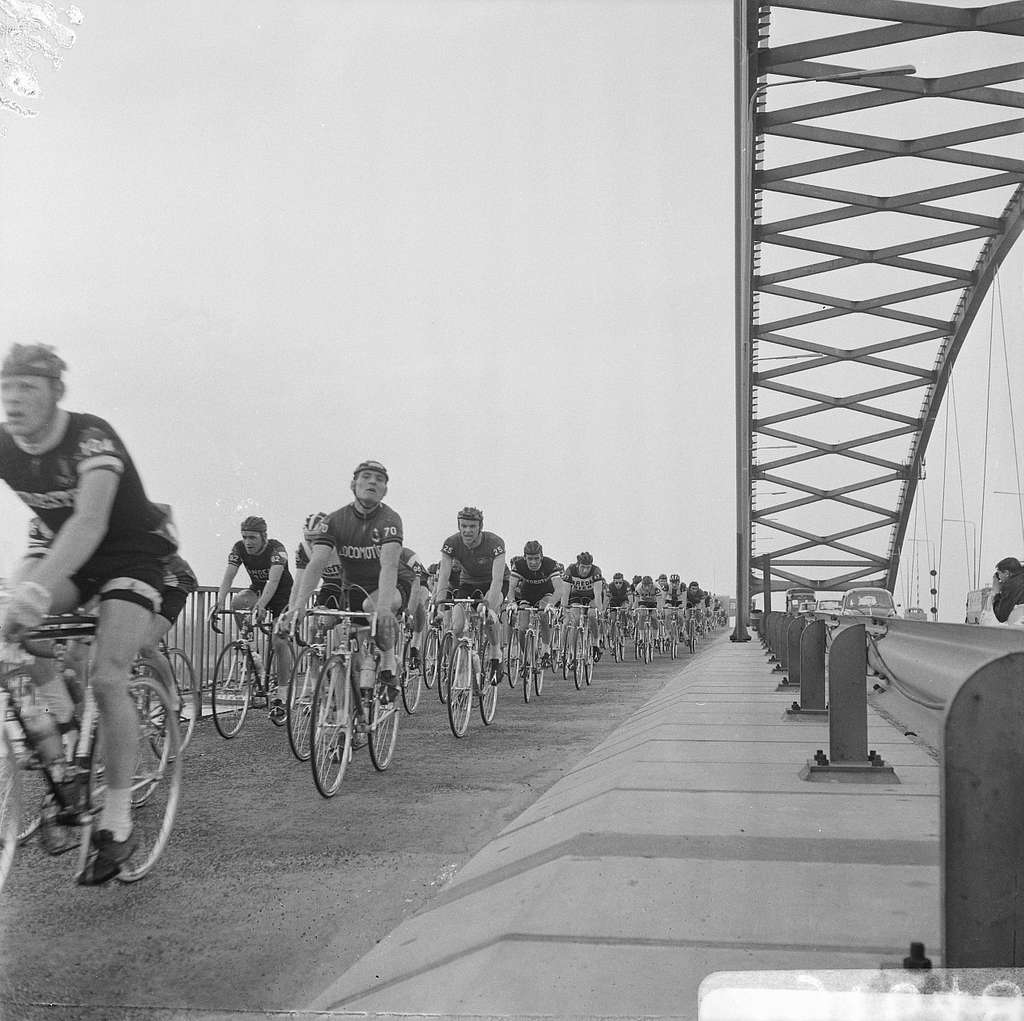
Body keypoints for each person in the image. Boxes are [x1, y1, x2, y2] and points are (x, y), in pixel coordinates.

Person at [0, 343, 176, 883]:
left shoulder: (90, 437)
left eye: (26, 388)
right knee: (15, 637)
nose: (12, 400)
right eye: (6, 389)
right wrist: (19, 597)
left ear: (57, 393)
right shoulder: (6, 442)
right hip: (68, 561)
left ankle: (118, 821)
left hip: (130, 556)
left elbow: (90, 521)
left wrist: (32, 594)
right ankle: (61, 755)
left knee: (106, 675)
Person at [282, 460, 407, 701]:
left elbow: (389, 564)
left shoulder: (390, 519)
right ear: (353, 484)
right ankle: (343, 718)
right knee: (340, 644)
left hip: (387, 586)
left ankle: (390, 666)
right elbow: (316, 563)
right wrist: (298, 605)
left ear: (385, 490)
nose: (372, 482)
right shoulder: (335, 520)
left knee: (374, 609)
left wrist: (383, 609)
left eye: (379, 479)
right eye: (366, 476)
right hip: (352, 590)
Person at [210, 515, 294, 725]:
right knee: (237, 603)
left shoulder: (277, 550)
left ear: (263, 537)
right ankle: (252, 653)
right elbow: (228, 576)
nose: (248, 542)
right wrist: (219, 602)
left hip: (282, 594)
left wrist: (262, 605)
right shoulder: (239, 548)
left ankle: (282, 697)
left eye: (253, 538)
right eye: (245, 537)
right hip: (259, 589)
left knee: (279, 641)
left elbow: (274, 581)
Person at [434, 506, 506, 681]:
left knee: (487, 616)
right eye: (463, 526)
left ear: (479, 527)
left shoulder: (494, 542)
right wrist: (438, 606)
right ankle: (461, 671)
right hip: (468, 583)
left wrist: (490, 606)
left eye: (472, 527)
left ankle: (496, 654)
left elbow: (497, 580)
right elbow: (443, 576)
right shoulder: (451, 543)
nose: (467, 530)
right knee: (457, 627)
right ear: (459, 526)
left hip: (493, 583)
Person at [507, 540, 563, 668]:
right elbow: (510, 587)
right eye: (530, 559)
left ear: (541, 557)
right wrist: (511, 602)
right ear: (524, 557)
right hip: (527, 595)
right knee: (522, 628)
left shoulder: (550, 564)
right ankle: (527, 657)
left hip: (546, 593)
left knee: (543, 613)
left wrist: (552, 603)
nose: (533, 562)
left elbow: (559, 589)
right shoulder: (519, 564)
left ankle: (545, 651)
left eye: (536, 558)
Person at [560, 551, 606, 662]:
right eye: (582, 567)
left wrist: (599, 610)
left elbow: (598, 594)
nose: (585, 570)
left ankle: (595, 643)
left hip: (591, 597)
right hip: (576, 596)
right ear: (577, 565)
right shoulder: (570, 570)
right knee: (575, 619)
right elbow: (565, 594)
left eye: (588, 567)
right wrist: (564, 610)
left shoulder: (596, 571)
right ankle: (572, 652)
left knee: (591, 615)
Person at [991, 556, 1024, 625]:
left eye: (999, 574)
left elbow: (1001, 616)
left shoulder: (1011, 585)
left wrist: (996, 592)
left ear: (1006, 573)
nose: (999, 578)